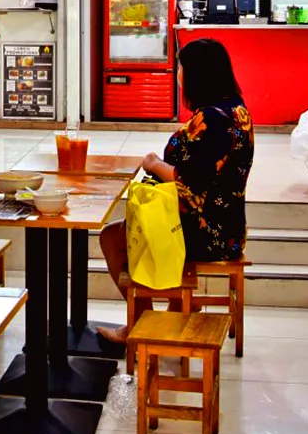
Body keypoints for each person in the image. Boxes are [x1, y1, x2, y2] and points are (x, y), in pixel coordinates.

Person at [97, 37, 253, 341]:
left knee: (115, 237)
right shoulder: (236, 109)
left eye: (181, 67)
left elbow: (189, 181)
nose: (178, 74)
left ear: (198, 74)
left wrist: (154, 164)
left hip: (205, 232)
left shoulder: (212, 119)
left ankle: (141, 324)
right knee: (133, 228)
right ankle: (177, 308)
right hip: (228, 226)